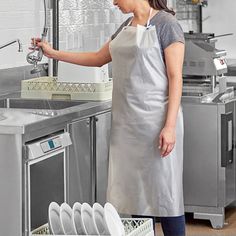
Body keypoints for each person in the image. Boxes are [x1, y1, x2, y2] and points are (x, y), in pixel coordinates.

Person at [32, 0, 185, 235]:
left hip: (158, 124)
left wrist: (170, 126)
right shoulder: (125, 27)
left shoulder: (167, 24)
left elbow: (176, 78)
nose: (113, 2)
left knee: (166, 196)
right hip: (127, 126)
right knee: (138, 198)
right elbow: (97, 58)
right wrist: (53, 53)